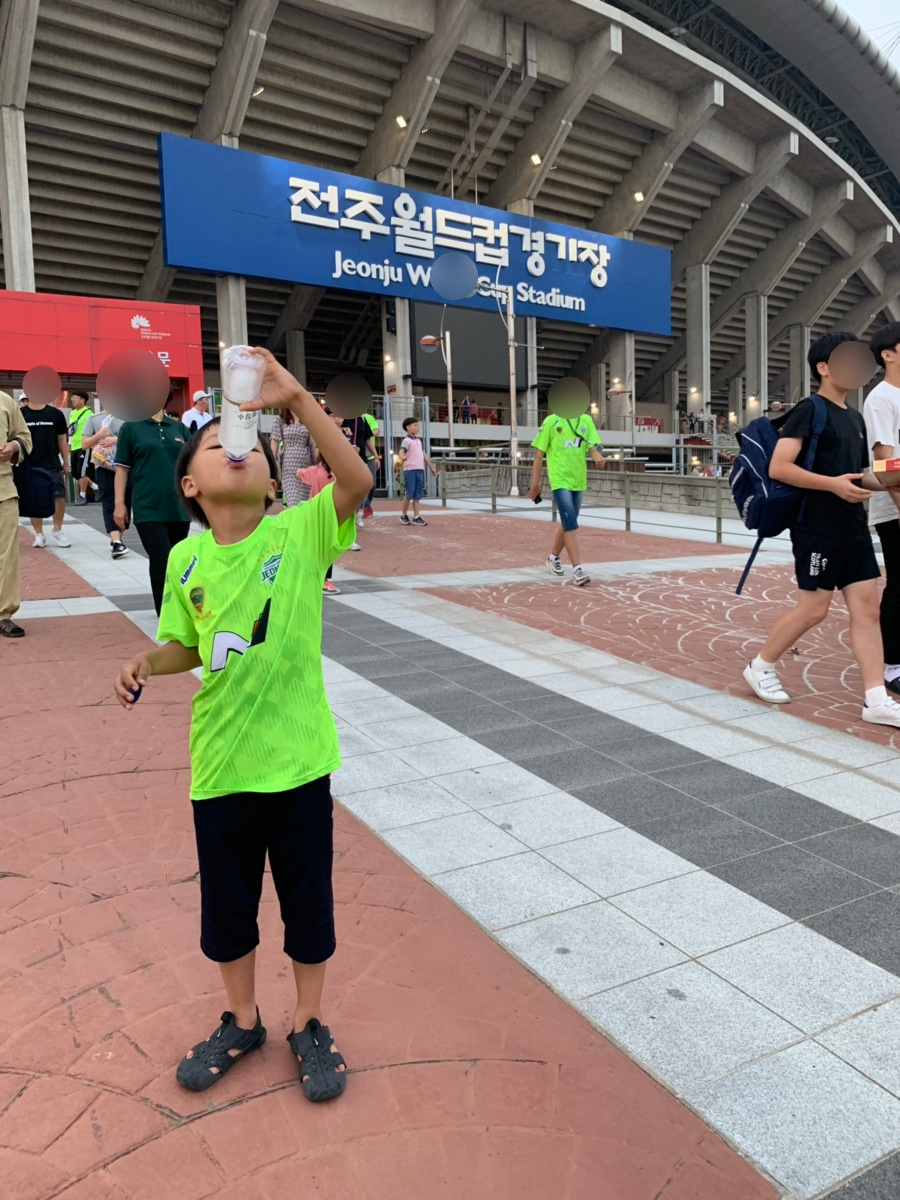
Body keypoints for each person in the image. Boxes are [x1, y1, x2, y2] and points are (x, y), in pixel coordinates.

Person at [113, 349, 371, 1101]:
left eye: (253, 449)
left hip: (298, 762)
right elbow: (187, 646)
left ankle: (309, 1022)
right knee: (228, 909)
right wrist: (146, 662)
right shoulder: (186, 560)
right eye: (218, 447)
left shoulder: (298, 534)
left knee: (307, 905)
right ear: (189, 486)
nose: (239, 451)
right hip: (221, 765)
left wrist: (294, 398)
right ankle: (243, 1019)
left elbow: (356, 481)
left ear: (270, 481)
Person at [743, 330, 900, 727]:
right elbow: (780, 467)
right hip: (816, 525)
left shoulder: (854, 417)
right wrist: (833, 485)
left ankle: (876, 700)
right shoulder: (810, 409)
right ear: (825, 367)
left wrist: (888, 478)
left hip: (853, 526)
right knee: (814, 609)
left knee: (867, 610)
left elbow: (859, 474)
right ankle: (760, 666)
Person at [113, 403, 190, 614]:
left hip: (179, 507)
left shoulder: (179, 428)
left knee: (178, 561)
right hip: (147, 506)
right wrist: (120, 505)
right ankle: (165, 612)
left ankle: (180, 609)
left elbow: (193, 465)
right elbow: (122, 469)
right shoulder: (131, 427)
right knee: (161, 558)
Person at [528, 406, 605, 586]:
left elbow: (592, 447)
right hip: (559, 480)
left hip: (578, 480)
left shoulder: (586, 420)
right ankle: (578, 570)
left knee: (568, 522)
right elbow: (539, 453)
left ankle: (553, 557)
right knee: (570, 523)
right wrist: (535, 484)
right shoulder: (551, 421)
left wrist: (598, 459)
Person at [864, 321, 900, 697]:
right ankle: (894, 665)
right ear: (888, 354)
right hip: (894, 507)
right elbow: (885, 463)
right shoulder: (881, 399)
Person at [0, 390, 33, 638]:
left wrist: (12, 446)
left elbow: (24, 437)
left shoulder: (4, 401)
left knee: (6, 555)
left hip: (3, 490)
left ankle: (3, 614)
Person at [20, 389, 71, 548]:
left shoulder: (55, 414)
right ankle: (39, 534)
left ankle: (57, 530)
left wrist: (66, 462)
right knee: (34, 500)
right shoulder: (20, 414)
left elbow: (62, 439)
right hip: (29, 465)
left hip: (52, 464)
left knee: (59, 497)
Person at [81, 406, 130, 559]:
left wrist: (115, 439)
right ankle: (116, 542)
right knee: (109, 501)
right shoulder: (93, 419)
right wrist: (99, 435)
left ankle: (118, 539)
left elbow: (137, 439)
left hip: (126, 466)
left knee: (126, 502)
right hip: (104, 466)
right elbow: (84, 444)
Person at [299, 454, 341, 594]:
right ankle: (323, 580)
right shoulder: (336, 473)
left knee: (314, 547)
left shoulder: (314, 470)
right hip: (330, 514)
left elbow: (299, 474)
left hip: (314, 513)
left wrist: (296, 469)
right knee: (327, 548)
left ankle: (312, 577)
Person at [339, 413, 374, 548]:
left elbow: (367, 439)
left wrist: (376, 456)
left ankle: (355, 517)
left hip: (360, 459)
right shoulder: (339, 420)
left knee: (362, 489)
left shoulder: (362, 419)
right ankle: (344, 534)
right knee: (345, 495)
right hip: (342, 461)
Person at [398, 416, 440, 526]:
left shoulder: (418, 441)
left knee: (417, 495)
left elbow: (423, 454)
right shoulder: (406, 440)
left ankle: (416, 517)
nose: (417, 428)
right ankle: (403, 515)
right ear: (408, 427)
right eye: (415, 425)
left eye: (418, 425)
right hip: (410, 470)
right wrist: (402, 456)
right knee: (409, 494)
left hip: (419, 470)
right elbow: (401, 450)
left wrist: (431, 467)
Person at [270, 406, 313, 508]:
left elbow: (313, 444)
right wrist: (271, 465)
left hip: (306, 464)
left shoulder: (307, 418)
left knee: (306, 504)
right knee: (293, 502)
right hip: (289, 467)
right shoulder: (280, 420)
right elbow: (274, 443)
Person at [68, 390, 94, 506]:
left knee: (82, 472)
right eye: (72, 397)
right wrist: (69, 444)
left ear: (83, 400)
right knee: (75, 473)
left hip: (84, 446)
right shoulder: (72, 413)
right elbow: (71, 430)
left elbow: (94, 430)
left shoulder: (89, 414)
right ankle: (95, 487)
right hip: (74, 446)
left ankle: (82, 496)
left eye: (75, 397)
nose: (72, 399)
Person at [361, 410, 381, 518]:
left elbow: (376, 431)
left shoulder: (368, 417)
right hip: (357, 456)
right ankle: (366, 507)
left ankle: (364, 505)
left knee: (372, 485)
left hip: (370, 456)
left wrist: (365, 434)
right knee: (362, 484)